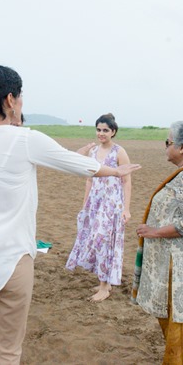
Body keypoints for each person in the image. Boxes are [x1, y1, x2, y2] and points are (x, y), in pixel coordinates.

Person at [0, 65, 141, 364]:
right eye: (20, 97)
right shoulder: (26, 140)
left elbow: (8, 147)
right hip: (9, 260)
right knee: (7, 351)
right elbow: (73, 164)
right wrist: (115, 170)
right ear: (10, 99)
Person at [131, 121, 183, 365]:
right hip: (178, 267)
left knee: (177, 332)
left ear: (181, 148)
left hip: (179, 270)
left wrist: (155, 232)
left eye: (167, 142)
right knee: (175, 330)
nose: (165, 147)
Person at [65, 113, 132, 302]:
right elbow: (89, 179)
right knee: (94, 239)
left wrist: (126, 209)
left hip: (112, 203)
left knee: (105, 241)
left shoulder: (119, 152)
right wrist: (85, 204)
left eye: (105, 130)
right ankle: (105, 281)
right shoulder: (93, 152)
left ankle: (104, 287)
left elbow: (126, 181)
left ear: (113, 132)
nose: (101, 133)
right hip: (95, 202)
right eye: (99, 130)